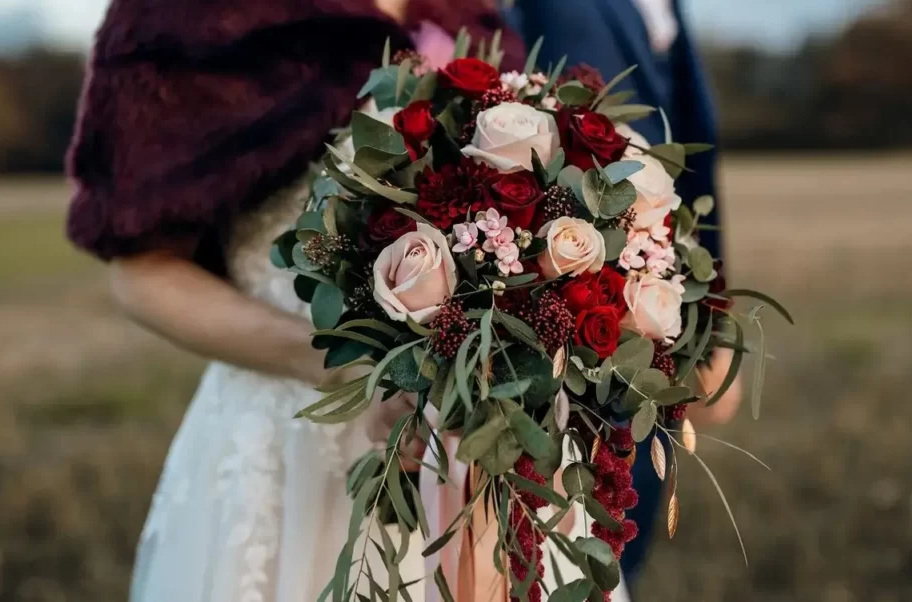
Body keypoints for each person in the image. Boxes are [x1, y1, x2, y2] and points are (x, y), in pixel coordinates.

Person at [65, 1, 528, 601]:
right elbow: (142, 273)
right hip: (289, 443)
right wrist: (351, 371)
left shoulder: (474, 16)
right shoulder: (177, 22)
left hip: (479, 451)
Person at [504, 0, 744, 592]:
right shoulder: (568, 9)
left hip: (654, 316)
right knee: (589, 552)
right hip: (605, 344)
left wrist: (710, 315)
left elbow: (688, 156)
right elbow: (589, 167)